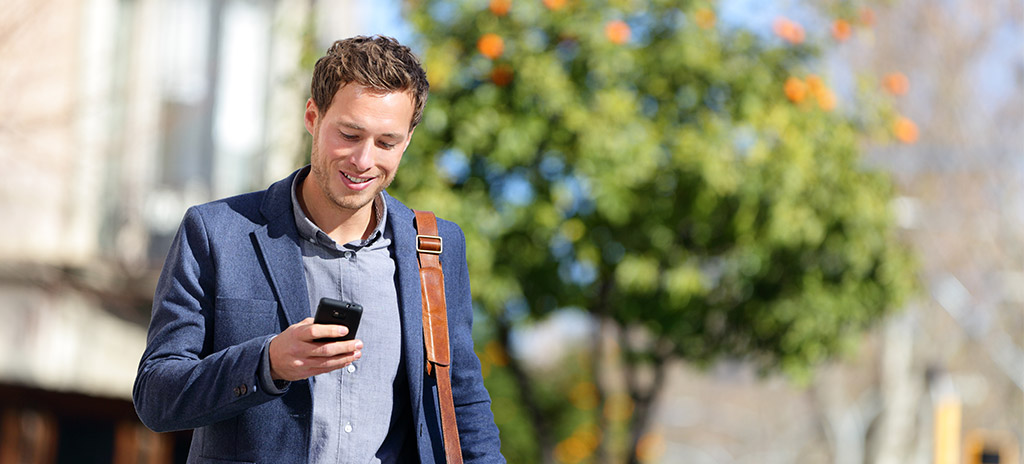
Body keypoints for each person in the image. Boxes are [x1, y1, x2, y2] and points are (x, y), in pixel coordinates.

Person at [133, 35, 504, 463]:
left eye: (387, 143)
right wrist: (268, 362)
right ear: (313, 116)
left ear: (409, 139)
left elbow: (462, 400)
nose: (364, 160)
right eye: (349, 134)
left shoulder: (435, 247)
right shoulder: (216, 232)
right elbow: (156, 396)